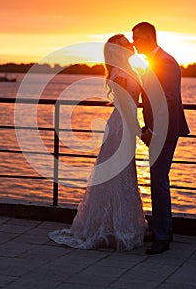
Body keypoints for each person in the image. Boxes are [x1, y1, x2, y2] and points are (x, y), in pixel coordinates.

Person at [48, 34, 146, 251]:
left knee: (123, 176)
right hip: (120, 128)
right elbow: (125, 107)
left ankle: (118, 224)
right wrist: (140, 132)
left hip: (124, 127)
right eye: (126, 43)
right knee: (118, 177)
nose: (131, 44)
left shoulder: (127, 70)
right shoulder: (119, 74)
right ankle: (114, 227)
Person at [132, 22, 190, 255]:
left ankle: (162, 237)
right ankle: (164, 228)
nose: (134, 41)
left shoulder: (165, 62)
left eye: (136, 37)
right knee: (158, 178)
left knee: (158, 180)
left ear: (148, 37)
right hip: (159, 129)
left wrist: (152, 130)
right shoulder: (154, 62)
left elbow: (166, 100)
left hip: (165, 130)